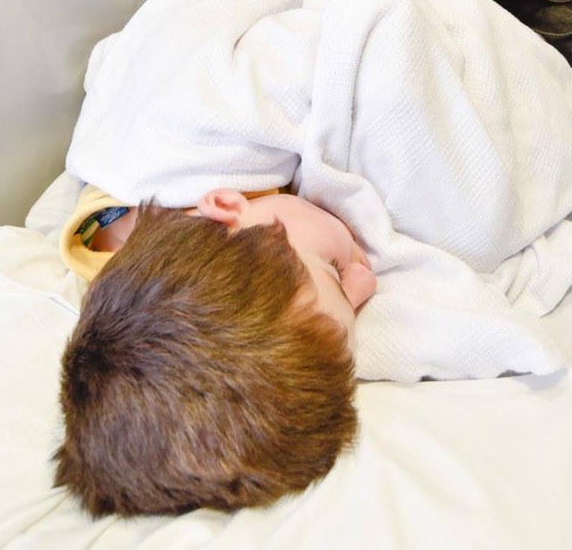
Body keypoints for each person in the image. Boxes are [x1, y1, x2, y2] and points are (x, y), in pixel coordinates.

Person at [53, 183, 376, 518]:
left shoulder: (162, 176)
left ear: (226, 206)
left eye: (333, 268)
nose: (365, 280)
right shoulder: (170, 274)